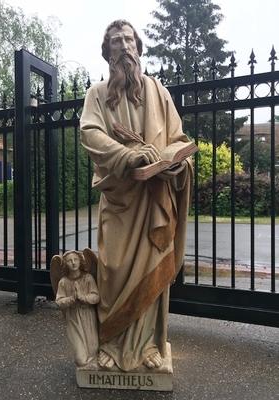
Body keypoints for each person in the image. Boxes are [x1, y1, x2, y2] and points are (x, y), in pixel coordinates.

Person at [80, 20, 193, 372]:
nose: (124, 46)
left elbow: (177, 139)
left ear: (139, 48)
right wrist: (128, 156)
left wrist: (173, 162)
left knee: (152, 268)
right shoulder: (97, 94)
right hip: (119, 199)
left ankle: (146, 348)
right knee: (112, 270)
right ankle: (111, 343)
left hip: (154, 198)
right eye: (116, 42)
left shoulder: (159, 93)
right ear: (107, 52)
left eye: (129, 40)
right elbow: (90, 133)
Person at [56, 250, 100, 366]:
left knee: (94, 349)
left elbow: (96, 297)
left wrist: (83, 297)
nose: (74, 263)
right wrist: (71, 299)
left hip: (88, 316)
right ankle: (85, 364)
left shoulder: (88, 278)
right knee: (81, 360)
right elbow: (59, 301)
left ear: (80, 261)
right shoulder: (63, 282)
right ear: (65, 264)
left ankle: (93, 368)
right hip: (74, 318)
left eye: (76, 260)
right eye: (70, 261)